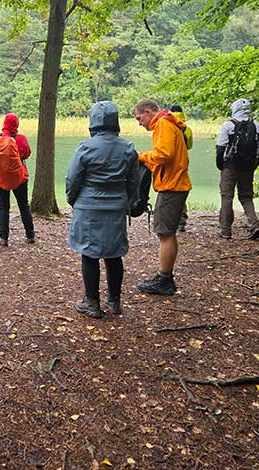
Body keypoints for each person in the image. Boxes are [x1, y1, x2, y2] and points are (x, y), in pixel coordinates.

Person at [66, 101, 138, 318]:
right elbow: (133, 182)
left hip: (88, 207)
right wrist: (126, 201)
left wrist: (73, 200)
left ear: (93, 122)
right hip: (115, 207)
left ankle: (92, 302)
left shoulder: (85, 147)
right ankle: (114, 301)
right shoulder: (127, 148)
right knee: (114, 254)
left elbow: (72, 179)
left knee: (89, 253)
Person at [132, 99, 192, 296]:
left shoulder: (163, 125)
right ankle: (165, 277)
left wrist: (140, 157)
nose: (139, 123)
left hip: (172, 186)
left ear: (149, 112)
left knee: (164, 232)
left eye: (139, 118)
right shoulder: (169, 123)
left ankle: (164, 279)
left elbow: (163, 154)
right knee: (168, 232)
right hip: (174, 183)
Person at [216, 98, 259, 240]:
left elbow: (220, 148)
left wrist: (221, 165)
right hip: (248, 167)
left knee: (227, 196)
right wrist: (255, 164)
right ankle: (254, 225)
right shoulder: (257, 125)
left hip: (230, 167)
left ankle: (225, 230)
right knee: (246, 196)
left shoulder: (228, 125)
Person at [0, 113, 35, 246]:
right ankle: (30, 235)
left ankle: (4, 238)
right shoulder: (21, 139)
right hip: (19, 178)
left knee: (3, 208)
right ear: (16, 124)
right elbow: (27, 154)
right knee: (23, 205)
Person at [169, 104, 192, 232]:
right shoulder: (187, 128)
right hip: (183, 161)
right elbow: (189, 146)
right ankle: (182, 221)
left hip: (170, 162)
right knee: (181, 187)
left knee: (170, 189)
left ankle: (171, 219)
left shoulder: (167, 124)